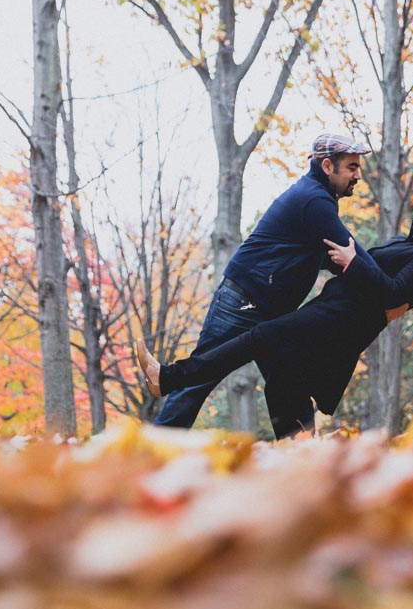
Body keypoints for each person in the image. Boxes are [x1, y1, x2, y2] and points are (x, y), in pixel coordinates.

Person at [139, 185, 413, 438]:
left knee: (260, 337)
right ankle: (299, 444)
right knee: (284, 380)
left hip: (342, 322)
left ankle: (169, 377)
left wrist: (354, 263)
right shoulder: (411, 245)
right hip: (334, 310)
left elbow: (392, 293)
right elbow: (371, 277)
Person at [152, 133, 376, 433]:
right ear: (327, 166)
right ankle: (153, 449)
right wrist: (386, 282)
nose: (357, 175)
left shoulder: (316, 199)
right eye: (351, 167)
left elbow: (330, 256)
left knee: (289, 379)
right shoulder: (313, 200)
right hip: (243, 300)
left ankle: (303, 453)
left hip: (270, 308)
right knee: (199, 379)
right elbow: (351, 251)